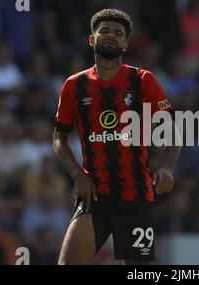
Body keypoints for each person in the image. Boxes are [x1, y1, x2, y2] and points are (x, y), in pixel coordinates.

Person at [52, 9, 181, 265]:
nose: (111, 36)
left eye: (118, 33)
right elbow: (59, 139)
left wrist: (167, 167)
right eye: (105, 31)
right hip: (95, 196)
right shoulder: (73, 85)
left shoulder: (143, 80)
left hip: (136, 196)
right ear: (92, 39)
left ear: (126, 44)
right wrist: (78, 175)